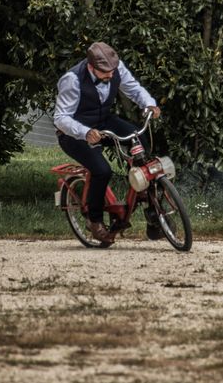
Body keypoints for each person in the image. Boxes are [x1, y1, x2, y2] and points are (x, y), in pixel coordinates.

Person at [54, 42, 161, 243]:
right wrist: (85, 132)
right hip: (74, 133)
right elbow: (60, 118)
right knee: (102, 170)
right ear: (91, 66)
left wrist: (149, 104)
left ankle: (153, 210)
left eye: (112, 70)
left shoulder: (114, 68)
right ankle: (94, 221)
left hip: (103, 122)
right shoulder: (72, 80)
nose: (111, 76)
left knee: (138, 139)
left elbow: (133, 89)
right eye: (105, 72)